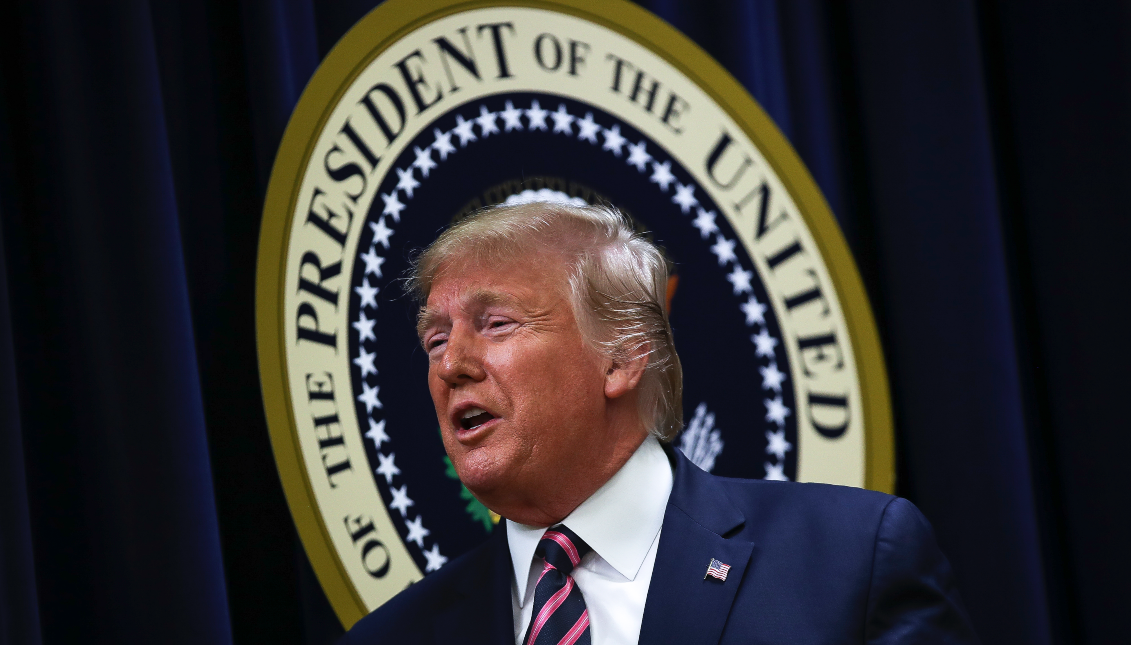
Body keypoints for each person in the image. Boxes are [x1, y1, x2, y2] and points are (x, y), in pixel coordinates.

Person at [342, 202, 978, 645]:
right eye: (433, 340)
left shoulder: (851, 559)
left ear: (621, 355)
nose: (451, 363)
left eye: (496, 324)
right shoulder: (393, 635)